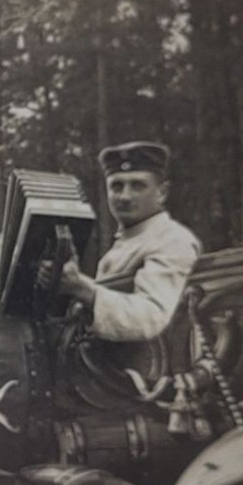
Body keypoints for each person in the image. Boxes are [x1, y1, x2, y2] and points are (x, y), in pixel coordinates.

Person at [52, 140, 202, 341]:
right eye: (116, 186)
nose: (125, 196)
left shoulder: (172, 240)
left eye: (138, 186)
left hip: (155, 370)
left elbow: (151, 317)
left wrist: (82, 288)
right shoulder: (130, 240)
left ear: (162, 193)